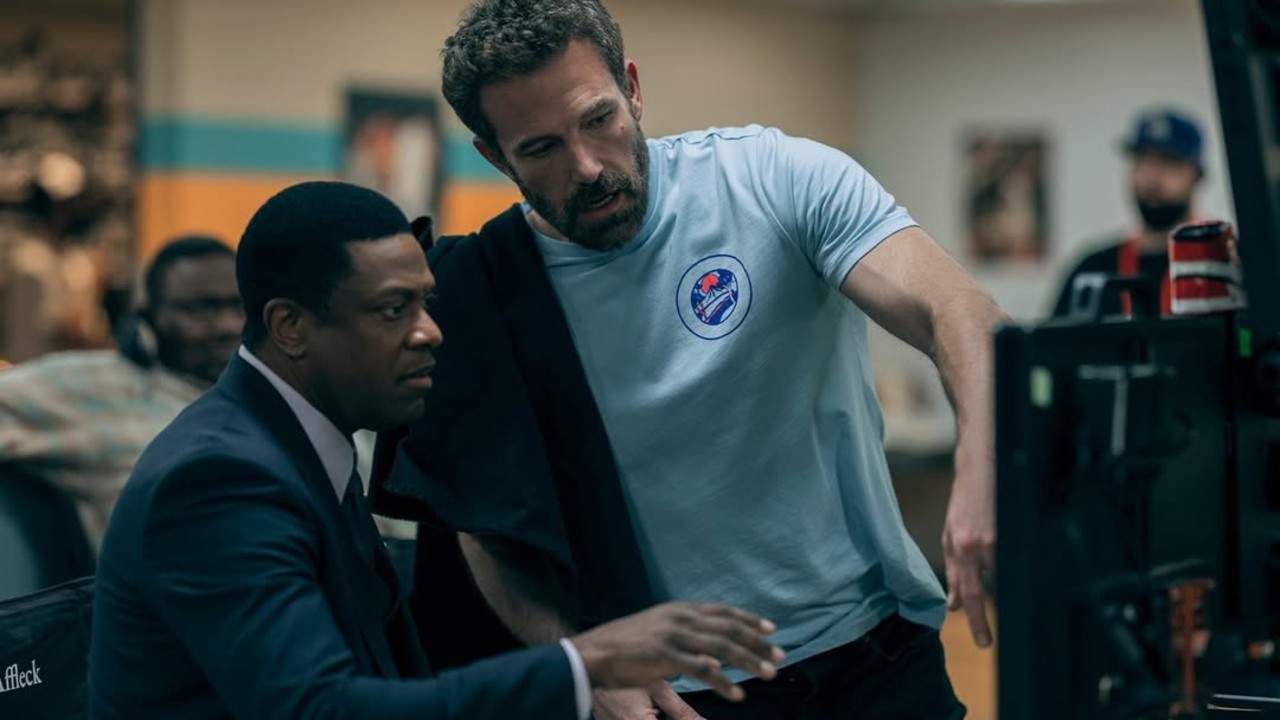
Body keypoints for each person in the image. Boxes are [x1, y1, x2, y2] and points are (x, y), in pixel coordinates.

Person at [375, 1, 1006, 718]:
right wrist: (584, 665)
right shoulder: (486, 292)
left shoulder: (769, 180)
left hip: (876, 656)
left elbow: (961, 313)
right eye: (542, 149)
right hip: (683, 694)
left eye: (598, 119)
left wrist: (982, 470)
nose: (587, 167)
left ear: (632, 88)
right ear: (495, 156)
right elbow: (490, 532)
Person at [88, 181, 784, 720]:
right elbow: (319, 709)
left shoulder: (297, 441)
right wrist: (589, 661)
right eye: (394, 310)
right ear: (290, 327)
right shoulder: (219, 479)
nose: (431, 332)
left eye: (426, 303)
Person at [0, 235, 240, 551]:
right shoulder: (92, 385)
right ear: (150, 316)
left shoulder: (271, 397)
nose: (228, 326)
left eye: (240, 306)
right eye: (200, 309)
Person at [1051, 108, 1206, 318]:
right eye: (1141, 162)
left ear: (1197, 175)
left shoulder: (1226, 265)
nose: (1151, 178)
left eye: (1168, 163)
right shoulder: (1091, 271)